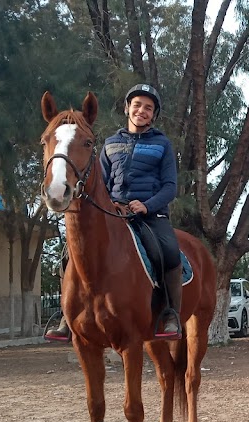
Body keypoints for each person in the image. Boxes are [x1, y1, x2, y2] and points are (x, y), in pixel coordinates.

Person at [48, 84, 181, 341]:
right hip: (114, 211)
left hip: (151, 215)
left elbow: (170, 187)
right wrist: (111, 204)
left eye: (148, 108)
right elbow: (101, 183)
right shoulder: (110, 144)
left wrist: (147, 205)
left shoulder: (162, 144)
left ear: (154, 115)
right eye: (137, 105)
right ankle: (66, 314)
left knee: (167, 251)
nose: (142, 111)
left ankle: (169, 313)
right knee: (70, 253)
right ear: (127, 108)